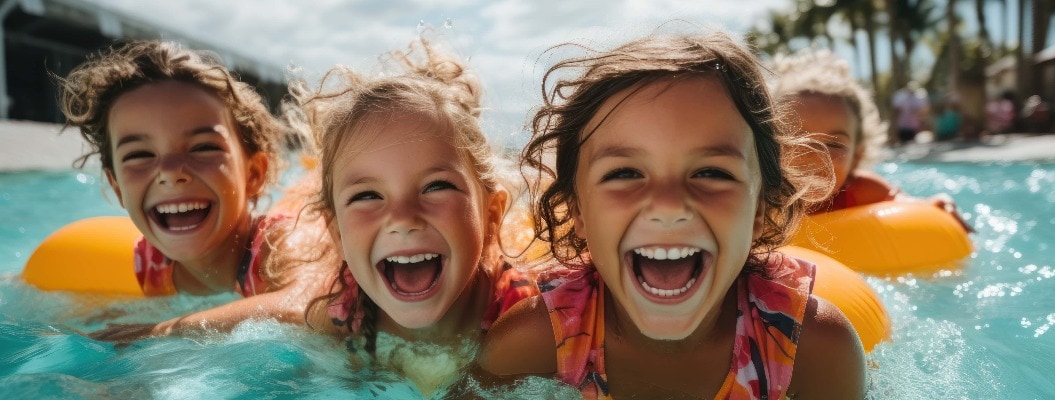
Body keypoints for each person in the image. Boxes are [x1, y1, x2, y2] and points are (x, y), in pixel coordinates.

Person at [477, 32, 865, 399]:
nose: (669, 206)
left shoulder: (813, 350)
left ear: (761, 208)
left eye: (712, 173)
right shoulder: (533, 342)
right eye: (624, 174)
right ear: (578, 210)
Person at [292, 38, 538, 397]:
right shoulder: (341, 318)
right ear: (337, 234)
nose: (403, 218)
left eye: (436, 186)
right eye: (367, 195)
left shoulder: (524, 323)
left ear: (491, 215)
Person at [56, 40, 338, 340]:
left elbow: (306, 307)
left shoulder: (280, 247)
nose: (170, 172)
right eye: (139, 155)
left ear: (254, 173)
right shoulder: (151, 264)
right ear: (117, 188)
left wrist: (150, 334)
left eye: (203, 148)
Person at [771, 49, 973, 232]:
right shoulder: (763, 200)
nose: (815, 153)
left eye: (834, 144)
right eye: (796, 137)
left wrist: (936, 205)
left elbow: (912, 206)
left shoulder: (863, 190)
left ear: (856, 158)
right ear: (769, 145)